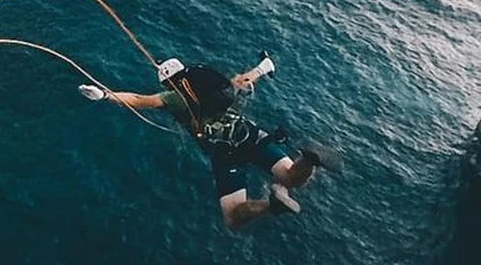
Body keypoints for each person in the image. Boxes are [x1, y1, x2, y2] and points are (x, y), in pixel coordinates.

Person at [78, 55, 341, 230]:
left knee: (233, 216)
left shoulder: (172, 98)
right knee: (290, 176)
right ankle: (309, 159)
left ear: (168, 82)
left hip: (226, 154)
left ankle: (271, 205)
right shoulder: (214, 87)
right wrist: (264, 67)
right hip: (250, 134)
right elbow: (244, 80)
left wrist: (104, 95)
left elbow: (137, 99)